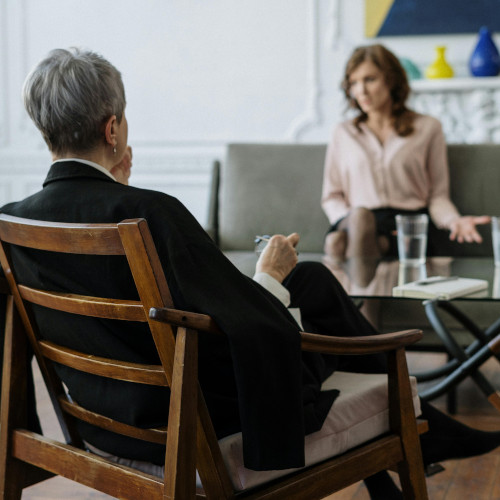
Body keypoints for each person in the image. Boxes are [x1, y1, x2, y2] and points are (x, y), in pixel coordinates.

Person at [2, 47, 500, 500]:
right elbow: (249, 326)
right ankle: (418, 424)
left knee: (313, 282)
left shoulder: (14, 222)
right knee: (304, 295)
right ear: (113, 130)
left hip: (105, 417)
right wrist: (267, 274)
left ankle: (403, 455)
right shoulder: (149, 212)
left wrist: (115, 182)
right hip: (198, 415)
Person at [321, 44, 491, 260]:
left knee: (338, 243)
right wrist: (353, 222)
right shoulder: (342, 133)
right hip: (354, 222)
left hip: (407, 226)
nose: (360, 91)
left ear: (390, 80)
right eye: (354, 82)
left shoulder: (428, 128)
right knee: (356, 224)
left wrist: (453, 221)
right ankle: (358, 234)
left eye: (369, 80)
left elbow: (438, 196)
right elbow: (331, 197)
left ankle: (353, 278)